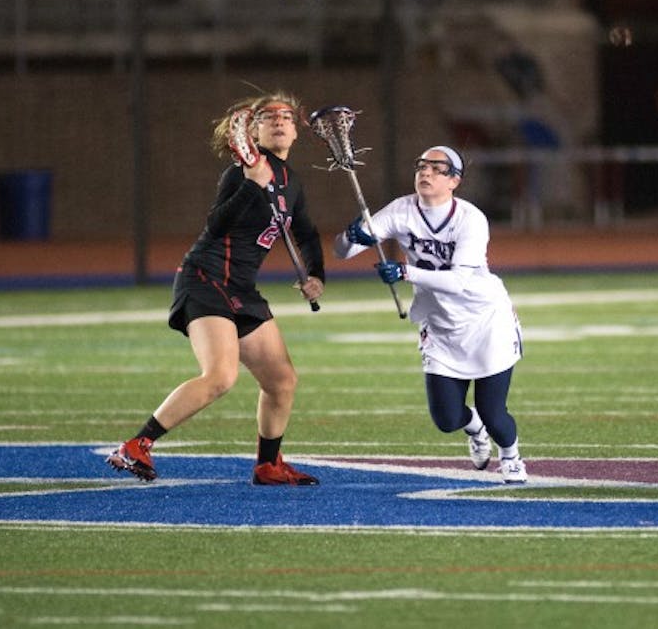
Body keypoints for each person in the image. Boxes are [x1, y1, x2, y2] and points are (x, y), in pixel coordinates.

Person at [107, 92, 325, 485]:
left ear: (296, 130)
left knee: (281, 380)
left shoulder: (292, 181)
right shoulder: (240, 172)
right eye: (267, 116)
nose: (278, 121)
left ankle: (268, 464)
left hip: (241, 289)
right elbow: (217, 225)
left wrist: (316, 275)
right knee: (221, 377)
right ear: (253, 131)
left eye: (285, 116)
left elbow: (306, 232)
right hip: (206, 280)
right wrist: (251, 185)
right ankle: (136, 444)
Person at [334, 145, 528, 484]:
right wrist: (353, 235)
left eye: (438, 168)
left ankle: (511, 455)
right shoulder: (401, 210)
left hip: (485, 319)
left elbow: (458, 281)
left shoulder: (471, 219)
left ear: (455, 181)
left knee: (495, 413)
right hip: (439, 323)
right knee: (446, 418)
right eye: (422, 165)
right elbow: (342, 250)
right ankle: (475, 429)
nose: (426, 172)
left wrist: (405, 273)